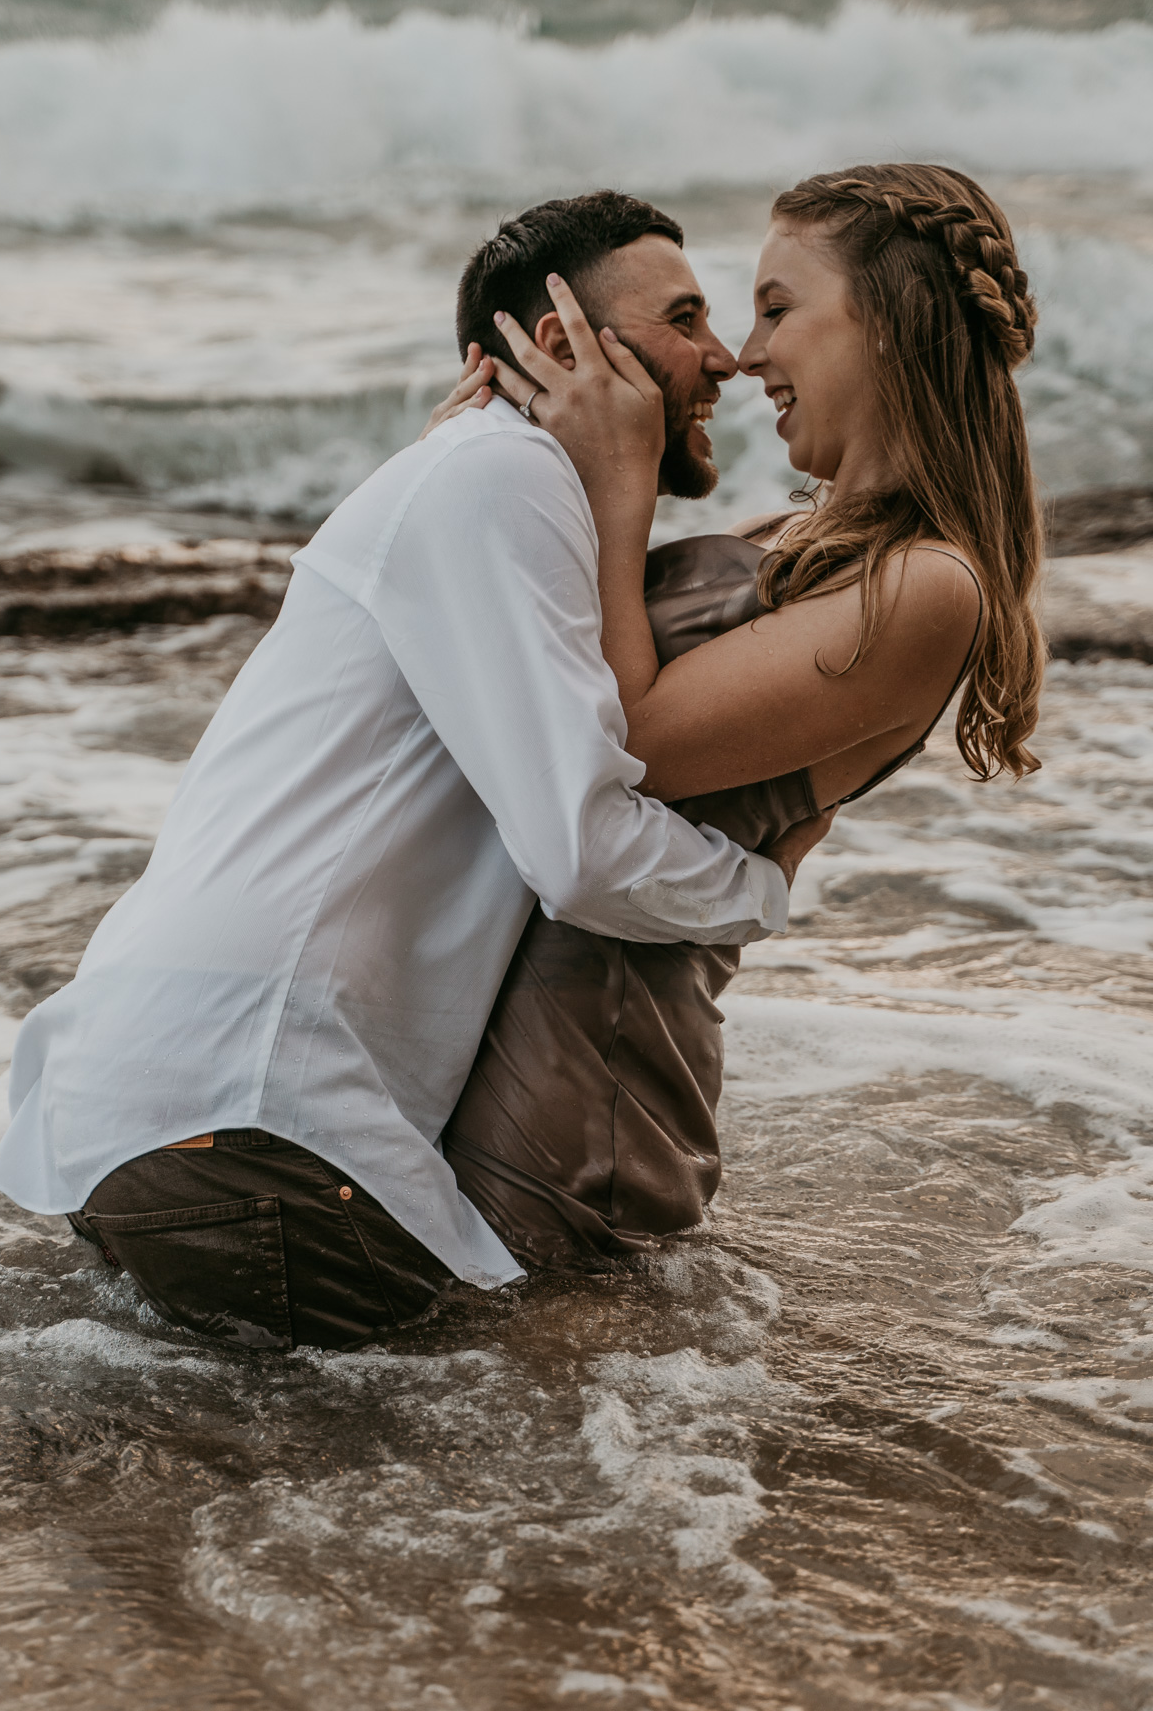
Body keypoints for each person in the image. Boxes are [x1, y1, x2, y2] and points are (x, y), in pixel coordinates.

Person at [0, 193, 830, 1353]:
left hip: (159, 1125)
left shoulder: (472, 480)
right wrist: (760, 886)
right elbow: (580, 854)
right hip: (257, 1135)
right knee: (585, 1392)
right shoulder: (501, 480)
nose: (724, 356)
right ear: (556, 346)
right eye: (685, 318)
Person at [427, 163, 1045, 1273]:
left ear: (891, 326)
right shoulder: (801, 540)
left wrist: (621, 486)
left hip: (585, 1111)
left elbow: (630, 739)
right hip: (498, 1055)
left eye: (776, 310)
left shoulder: (927, 587)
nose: (747, 355)